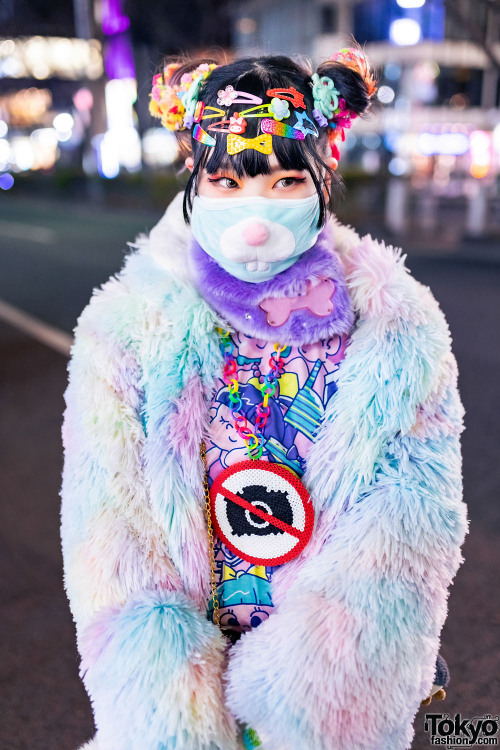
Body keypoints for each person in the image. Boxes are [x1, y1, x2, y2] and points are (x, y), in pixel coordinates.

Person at [60, 47, 467, 750]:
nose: (253, 214)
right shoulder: (126, 326)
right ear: (195, 182)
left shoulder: (396, 328)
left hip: (332, 677)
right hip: (194, 660)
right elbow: (112, 529)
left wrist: (326, 680)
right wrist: (166, 698)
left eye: (284, 181)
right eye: (224, 180)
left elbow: (409, 520)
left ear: (322, 178)